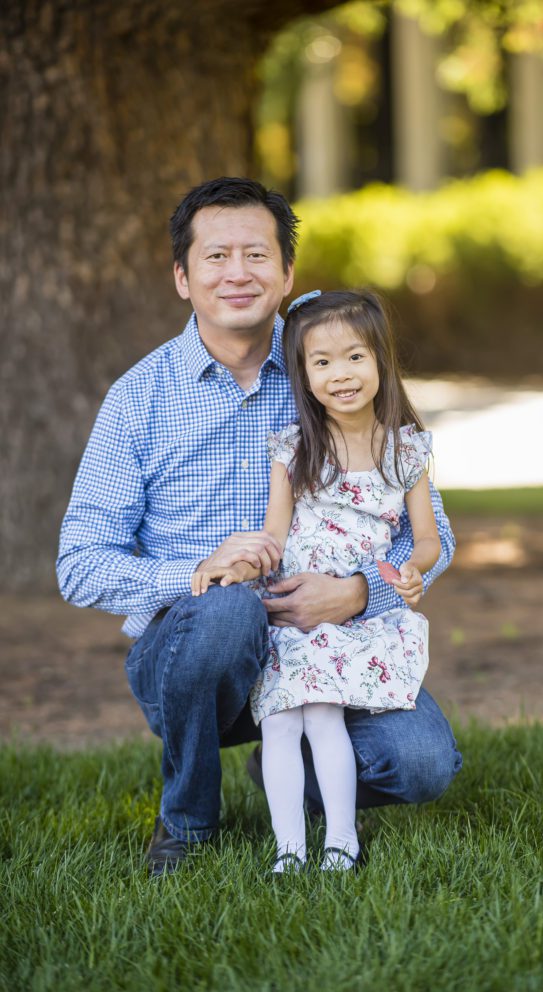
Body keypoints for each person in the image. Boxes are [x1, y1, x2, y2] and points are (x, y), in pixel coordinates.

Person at [57, 177, 462, 877]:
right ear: (182, 278)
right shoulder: (138, 400)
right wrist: (194, 573)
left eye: (256, 254)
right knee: (226, 612)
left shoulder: (334, 365)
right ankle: (187, 821)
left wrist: (361, 592)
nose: (237, 273)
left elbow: (432, 535)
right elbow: (80, 563)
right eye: (215, 258)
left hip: (329, 635)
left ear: (287, 274)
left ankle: (295, 774)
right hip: (197, 657)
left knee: (423, 763)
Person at [192, 289, 442, 873]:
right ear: (303, 376)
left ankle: (340, 841)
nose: (341, 374)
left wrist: (412, 570)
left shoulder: (406, 451)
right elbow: (273, 536)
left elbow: (427, 537)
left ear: (381, 359)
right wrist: (241, 563)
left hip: (353, 618)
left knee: (325, 718)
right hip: (292, 608)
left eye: (355, 357)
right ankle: (287, 850)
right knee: (280, 720)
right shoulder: (295, 449)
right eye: (321, 363)